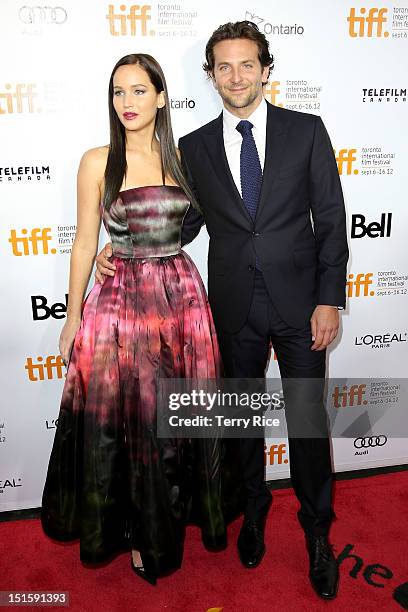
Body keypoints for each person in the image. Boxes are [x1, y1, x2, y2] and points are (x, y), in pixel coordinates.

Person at [96, 22, 349, 600]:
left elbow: (332, 221)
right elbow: (182, 225)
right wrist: (124, 241)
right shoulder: (196, 147)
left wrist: (329, 298)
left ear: (265, 69)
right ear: (210, 76)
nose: (236, 76)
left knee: (308, 425)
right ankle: (253, 517)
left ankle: (317, 534)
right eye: (223, 67)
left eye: (246, 64)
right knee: (243, 426)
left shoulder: (306, 131)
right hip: (231, 308)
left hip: (301, 307)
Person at [41, 53, 242, 586]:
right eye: (117, 92)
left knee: (173, 422)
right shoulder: (96, 160)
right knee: (129, 424)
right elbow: (85, 240)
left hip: (180, 303)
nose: (126, 103)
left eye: (137, 91)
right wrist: (71, 313)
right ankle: (135, 532)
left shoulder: (184, 158)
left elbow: (198, 220)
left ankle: (168, 524)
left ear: (160, 97)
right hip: (120, 309)